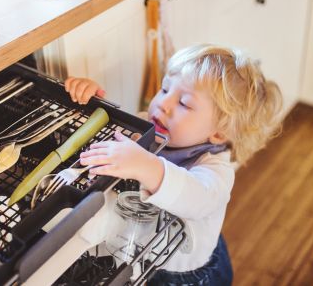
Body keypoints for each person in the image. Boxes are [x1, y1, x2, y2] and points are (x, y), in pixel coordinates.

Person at [64, 45, 283, 285]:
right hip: (141, 256)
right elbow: (114, 138)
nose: (162, 104)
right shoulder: (149, 123)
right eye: (165, 88)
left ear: (219, 134)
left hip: (183, 274)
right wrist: (92, 105)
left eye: (185, 104)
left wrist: (148, 166)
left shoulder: (217, 172)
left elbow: (196, 197)